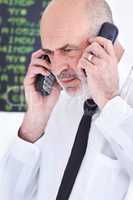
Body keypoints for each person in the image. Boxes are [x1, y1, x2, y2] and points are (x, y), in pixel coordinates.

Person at [0, 0, 133, 199]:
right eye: (49, 54)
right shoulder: (59, 100)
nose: (57, 67)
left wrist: (109, 101)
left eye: (68, 50)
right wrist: (34, 123)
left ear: (106, 39)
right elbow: (10, 195)